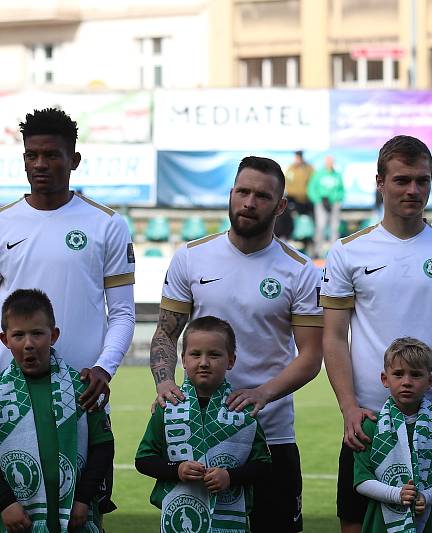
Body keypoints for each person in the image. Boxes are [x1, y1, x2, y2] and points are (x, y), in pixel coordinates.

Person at [149, 156, 323, 532]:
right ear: (230, 195)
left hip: (270, 435)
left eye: (262, 196)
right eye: (242, 192)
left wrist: (264, 393)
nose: (249, 202)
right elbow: (166, 332)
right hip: (196, 437)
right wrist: (163, 381)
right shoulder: (191, 258)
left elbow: (310, 355)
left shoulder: (301, 270)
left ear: (280, 206)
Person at [321, 135, 432, 533]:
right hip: (370, 422)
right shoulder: (347, 251)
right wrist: (348, 408)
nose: (413, 190)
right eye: (401, 180)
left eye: (422, 181)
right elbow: (334, 337)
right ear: (380, 182)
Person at [0, 107, 134, 515]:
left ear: (73, 160)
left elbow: (124, 313)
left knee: (82, 517)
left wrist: (103, 369)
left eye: (52, 155)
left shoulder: (106, 225)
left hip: (82, 400)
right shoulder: (3, 223)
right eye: (32, 155)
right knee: (16, 516)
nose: (40, 164)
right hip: (11, 402)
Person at [137, 316, 271, 533]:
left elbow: (263, 465)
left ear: (231, 360)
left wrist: (230, 476)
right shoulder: (168, 407)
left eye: (215, 355)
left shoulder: (243, 411)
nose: (204, 362)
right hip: (179, 520)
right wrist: (177, 469)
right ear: (183, 359)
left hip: (229, 523)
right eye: (196, 354)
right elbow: (144, 460)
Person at [0, 289, 114, 532]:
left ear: (53, 335)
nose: (29, 344)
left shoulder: (83, 388)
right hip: (15, 517)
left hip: (75, 515)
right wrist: (5, 503)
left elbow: (103, 447)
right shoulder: (1, 393)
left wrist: (83, 498)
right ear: (5, 340)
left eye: (37, 334)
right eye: (18, 335)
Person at [353, 337, 432, 533]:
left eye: (415, 375)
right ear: (385, 379)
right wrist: (396, 494)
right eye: (398, 374)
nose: (406, 382)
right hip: (384, 522)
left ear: (430, 380)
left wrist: (427, 496)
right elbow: (361, 480)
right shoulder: (370, 428)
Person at [307, 155, 345, 255]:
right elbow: (311, 188)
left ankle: (335, 251)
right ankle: (318, 250)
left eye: (331, 162)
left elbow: (341, 189)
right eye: (328, 162)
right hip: (321, 202)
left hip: (334, 203)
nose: (330, 164)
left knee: (335, 226)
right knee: (321, 225)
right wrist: (318, 199)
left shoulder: (337, 175)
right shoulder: (318, 174)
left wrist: (337, 199)